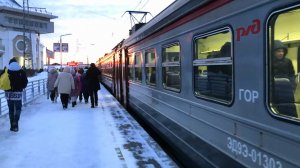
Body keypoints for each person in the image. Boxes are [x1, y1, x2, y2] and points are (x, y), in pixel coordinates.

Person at [5, 58, 28, 132]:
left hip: (8, 93)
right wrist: (22, 87)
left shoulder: (6, 70)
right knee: (18, 108)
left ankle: (12, 126)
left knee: (11, 109)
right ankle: (16, 121)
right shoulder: (21, 71)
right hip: (18, 92)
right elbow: (25, 82)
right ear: (16, 63)